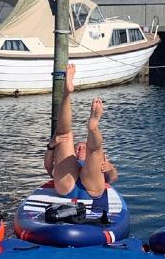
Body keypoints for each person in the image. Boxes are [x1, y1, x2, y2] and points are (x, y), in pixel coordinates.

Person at [45, 64, 117, 199]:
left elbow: (112, 178)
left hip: (92, 187)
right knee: (64, 135)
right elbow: (49, 168)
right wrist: (52, 145)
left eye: (82, 147)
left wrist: (111, 168)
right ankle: (66, 94)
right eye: (77, 147)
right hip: (67, 182)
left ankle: (93, 127)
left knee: (95, 151)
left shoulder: (95, 159)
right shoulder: (69, 159)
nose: (79, 149)